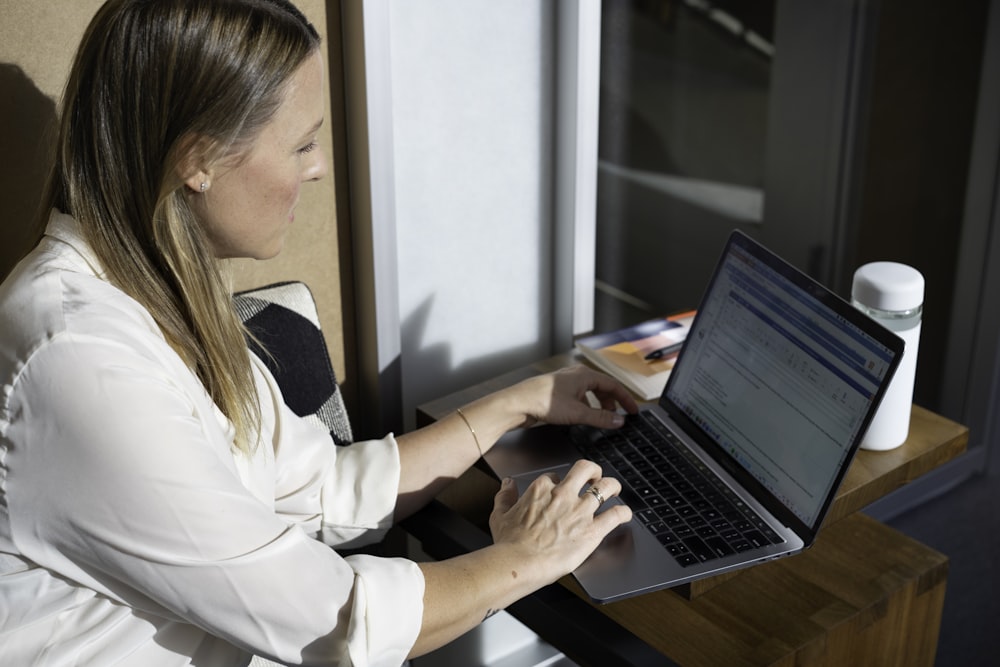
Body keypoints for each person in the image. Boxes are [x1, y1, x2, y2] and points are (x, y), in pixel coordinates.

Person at [0, 1, 638, 665]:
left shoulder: (158, 292)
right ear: (200, 160)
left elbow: (319, 487)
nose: (319, 167)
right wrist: (523, 560)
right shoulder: (79, 362)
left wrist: (521, 402)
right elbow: (335, 622)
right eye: (302, 143)